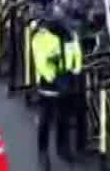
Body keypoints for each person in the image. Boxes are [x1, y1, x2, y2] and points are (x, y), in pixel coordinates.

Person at [30, 12, 84, 166]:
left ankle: (63, 148)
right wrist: (53, 79)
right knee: (45, 118)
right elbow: (41, 62)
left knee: (64, 116)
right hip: (50, 82)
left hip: (67, 77)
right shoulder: (42, 37)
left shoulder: (70, 34)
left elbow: (76, 52)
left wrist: (76, 71)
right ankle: (43, 151)